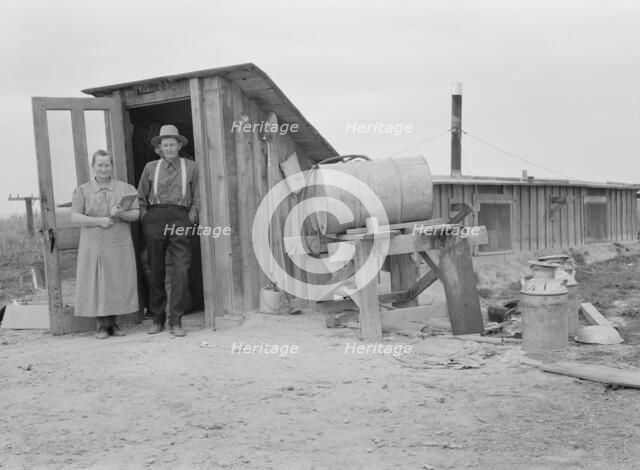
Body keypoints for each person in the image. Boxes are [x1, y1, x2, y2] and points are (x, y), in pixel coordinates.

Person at [138, 124, 199, 337]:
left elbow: (198, 197)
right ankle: (157, 319)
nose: (170, 148)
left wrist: (191, 217)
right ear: (160, 148)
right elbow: (140, 198)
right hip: (155, 217)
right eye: (166, 144)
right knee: (156, 269)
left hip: (180, 217)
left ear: (179, 145)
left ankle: (176, 320)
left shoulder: (191, 166)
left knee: (181, 269)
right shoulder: (150, 168)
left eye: (173, 144)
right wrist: (146, 217)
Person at [71, 150, 140, 339]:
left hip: (118, 242)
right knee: (96, 281)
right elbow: (75, 216)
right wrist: (99, 221)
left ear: (112, 167)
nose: (103, 169)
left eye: (107, 165)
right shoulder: (83, 190)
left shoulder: (126, 189)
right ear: (93, 167)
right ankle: (101, 325)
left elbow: (136, 214)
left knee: (115, 280)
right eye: (100, 165)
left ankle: (114, 324)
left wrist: (120, 214)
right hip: (93, 243)